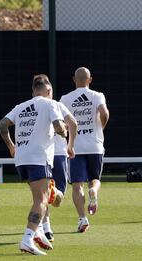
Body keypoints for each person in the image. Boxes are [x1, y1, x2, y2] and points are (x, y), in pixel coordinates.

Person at [0, 76, 67, 255]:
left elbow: (2, 125)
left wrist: (11, 146)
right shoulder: (50, 104)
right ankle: (27, 238)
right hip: (39, 157)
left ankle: (36, 232)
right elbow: (59, 126)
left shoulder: (21, 106)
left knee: (40, 196)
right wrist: (64, 132)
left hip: (22, 158)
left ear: (33, 91)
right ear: (49, 91)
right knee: (42, 199)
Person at [59, 67, 109, 233]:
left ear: (74, 79)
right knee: (94, 179)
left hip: (75, 147)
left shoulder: (65, 98)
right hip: (94, 145)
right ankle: (93, 190)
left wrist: (65, 133)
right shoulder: (97, 95)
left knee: (76, 185)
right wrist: (101, 126)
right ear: (90, 80)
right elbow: (104, 112)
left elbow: (60, 122)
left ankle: (82, 219)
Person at [31, 75, 78, 242]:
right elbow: (73, 123)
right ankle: (46, 229)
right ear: (49, 90)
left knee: (44, 196)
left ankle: (46, 227)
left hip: (41, 155)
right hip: (56, 153)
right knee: (51, 196)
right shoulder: (56, 105)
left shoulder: (29, 108)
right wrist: (70, 145)